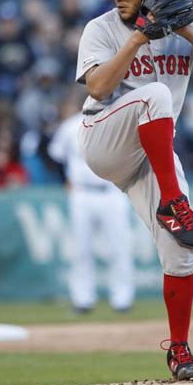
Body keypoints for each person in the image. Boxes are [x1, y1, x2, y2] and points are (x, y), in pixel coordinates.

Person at [75, 0, 193, 380]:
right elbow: (97, 85)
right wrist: (137, 38)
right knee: (157, 95)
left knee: (182, 254)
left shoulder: (186, 19)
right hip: (104, 138)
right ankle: (173, 203)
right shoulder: (101, 28)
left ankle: (180, 351)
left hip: (150, 154)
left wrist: (185, 25)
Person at [48, 95, 135, 313]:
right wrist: (65, 180)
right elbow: (55, 157)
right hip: (82, 193)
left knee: (119, 247)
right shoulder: (71, 126)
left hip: (112, 191)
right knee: (81, 249)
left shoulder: (118, 121)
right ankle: (82, 299)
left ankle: (122, 299)